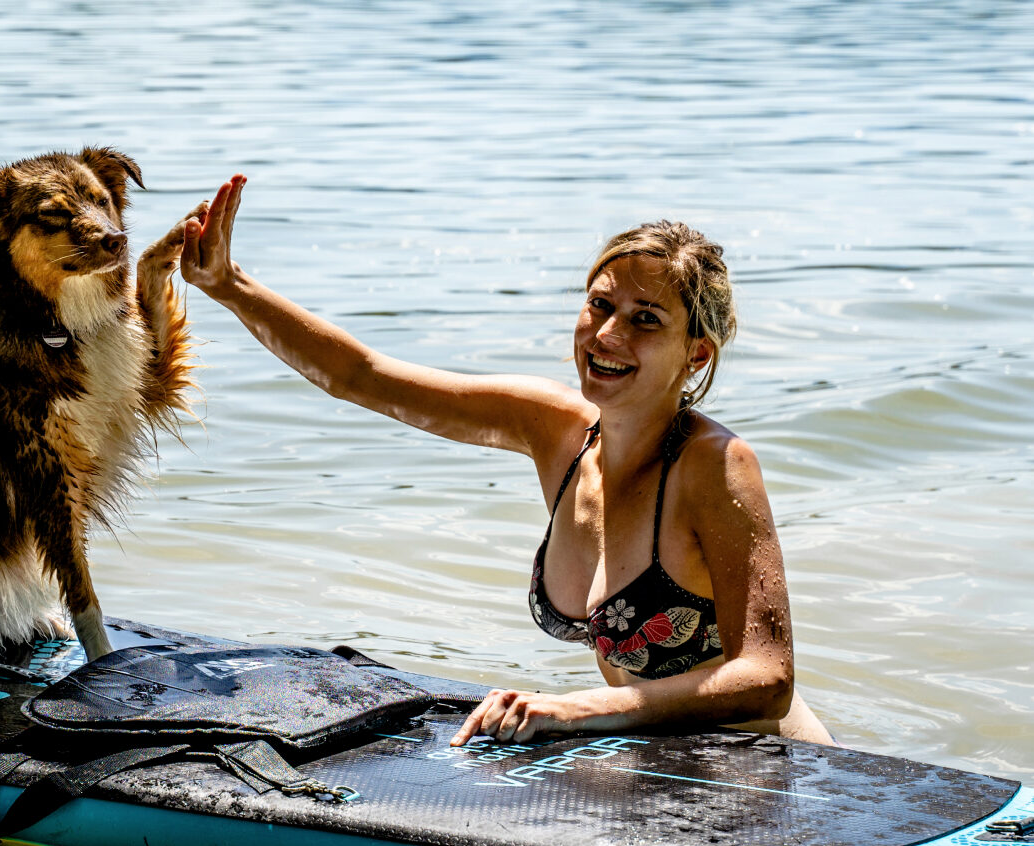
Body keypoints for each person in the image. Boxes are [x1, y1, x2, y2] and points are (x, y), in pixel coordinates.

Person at [177, 174, 834, 746]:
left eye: (645, 320)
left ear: (695, 353)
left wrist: (574, 709)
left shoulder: (714, 465)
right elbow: (362, 375)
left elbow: (766, 678)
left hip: (783, 777)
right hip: (662, 767)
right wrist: (229, 286)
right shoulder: (554, 429)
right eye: (600, 305)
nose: (607, 335)